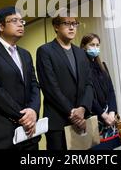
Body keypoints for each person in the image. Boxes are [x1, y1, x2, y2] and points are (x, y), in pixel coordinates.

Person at [0, 6, 40, 150]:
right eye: (14, 20)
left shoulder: (25, 54)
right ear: (1, 26)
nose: (20, 24)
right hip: (1, 130)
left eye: (22, 21)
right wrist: (23, 116)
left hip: (28, 131)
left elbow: (34, 85)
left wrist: (33, 111)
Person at [36, 12, 93, 150]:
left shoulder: (80, 53)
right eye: (67, 23)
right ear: (56, 26)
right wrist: (72, 112)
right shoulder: (45, 51)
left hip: (82, 118)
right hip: (58, 121)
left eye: (74, 23)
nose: (72, 27)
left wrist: (83, 108)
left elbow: (89, 84)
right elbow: (50, 87)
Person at [80, 33, 120, 150]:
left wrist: (112, 112)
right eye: (92, 45)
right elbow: (88, 95)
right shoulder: (82, 67)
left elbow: (111, 91)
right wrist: (103, 115)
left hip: (109, 117)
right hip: (94, 117)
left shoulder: (102, 66)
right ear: (83, 47)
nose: (95, 48)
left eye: (97, 45)